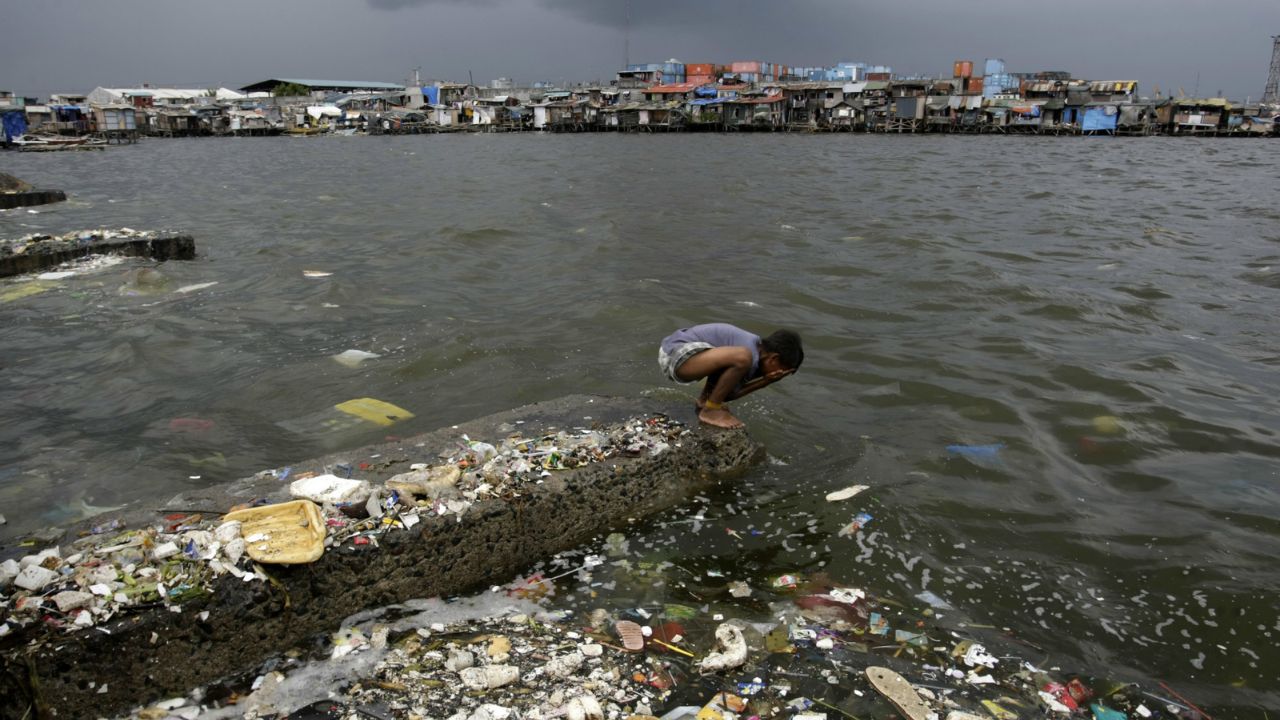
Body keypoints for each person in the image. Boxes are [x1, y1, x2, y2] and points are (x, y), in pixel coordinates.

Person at [658, 323, 803, 429]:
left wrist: (765, 381)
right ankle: (710, 410)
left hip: (679, 355)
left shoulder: (755, 352)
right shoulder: (749, 353)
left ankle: (705, 402)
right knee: (742, 356)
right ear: (773, 359)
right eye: (781, 371)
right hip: (676, 354)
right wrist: (765, 380)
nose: (778, 376)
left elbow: (727, 393)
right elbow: (727, 393)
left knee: (737, 360)